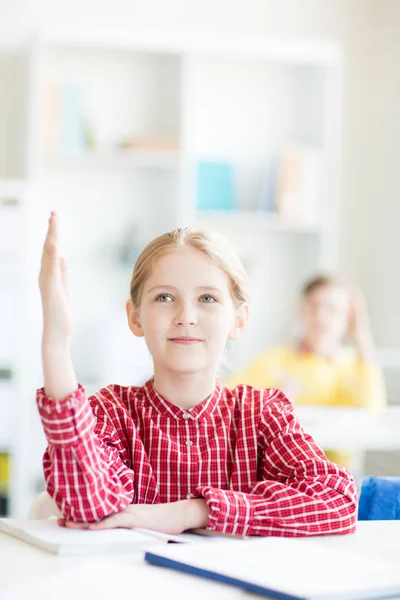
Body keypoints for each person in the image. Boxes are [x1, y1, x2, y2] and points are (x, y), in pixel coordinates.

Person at [36, 212, 357, 536]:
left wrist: (194, 511)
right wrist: (56, 344)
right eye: (164, 297)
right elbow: (88, 506)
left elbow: (338, 500)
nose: (186, 315)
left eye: (207, 298)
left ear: (239, 320)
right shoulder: (112, 412)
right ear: (135, 318)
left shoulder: (262, 415)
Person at [225, 275, 386, 467]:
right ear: (301, 310)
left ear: (347, 319)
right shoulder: (275, 359)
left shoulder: (354, 364)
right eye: (314, 306)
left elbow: (373, 410)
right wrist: (269, 400)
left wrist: (361, 336)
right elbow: (227, 400)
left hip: (338, 478)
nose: (321, 317)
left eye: (332, 309)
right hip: (283, 475)